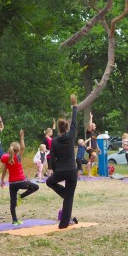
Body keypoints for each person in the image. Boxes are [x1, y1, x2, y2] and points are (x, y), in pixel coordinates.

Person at [46, 94, 79, 229]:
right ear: (67, 128)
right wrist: (74, 105)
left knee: (49, 182)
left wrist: (52, 168)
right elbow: (75, 122)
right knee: (68, 197)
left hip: (60, 170)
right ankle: (64, 223)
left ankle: (64, 223)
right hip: (71, 170)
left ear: (58, 129)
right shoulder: (71, 136)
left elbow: (52, 157)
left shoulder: (54, 141)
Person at [0, 130, 39, 225]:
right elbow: (23, 147)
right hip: (21, 182)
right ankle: (21, 196)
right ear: (17, 150)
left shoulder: (7, 158)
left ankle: (14, 220)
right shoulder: (17, 156)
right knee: (36, 187)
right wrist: (22, 137)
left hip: (12, 184)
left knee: (12, 202)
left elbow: (4, 170)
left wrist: (2, 181)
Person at [86, 112, 101, 177]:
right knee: (95, 155)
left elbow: (96, 142)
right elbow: (89, 125)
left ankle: (89, 174)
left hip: (94, 149)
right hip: (90, 148)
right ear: (91, 126)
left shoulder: (94, 134)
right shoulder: (89, 132)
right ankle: (88, 163)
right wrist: (91, 117)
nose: (95, 127)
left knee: (90, 162)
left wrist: (98, 148)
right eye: (94, 126)